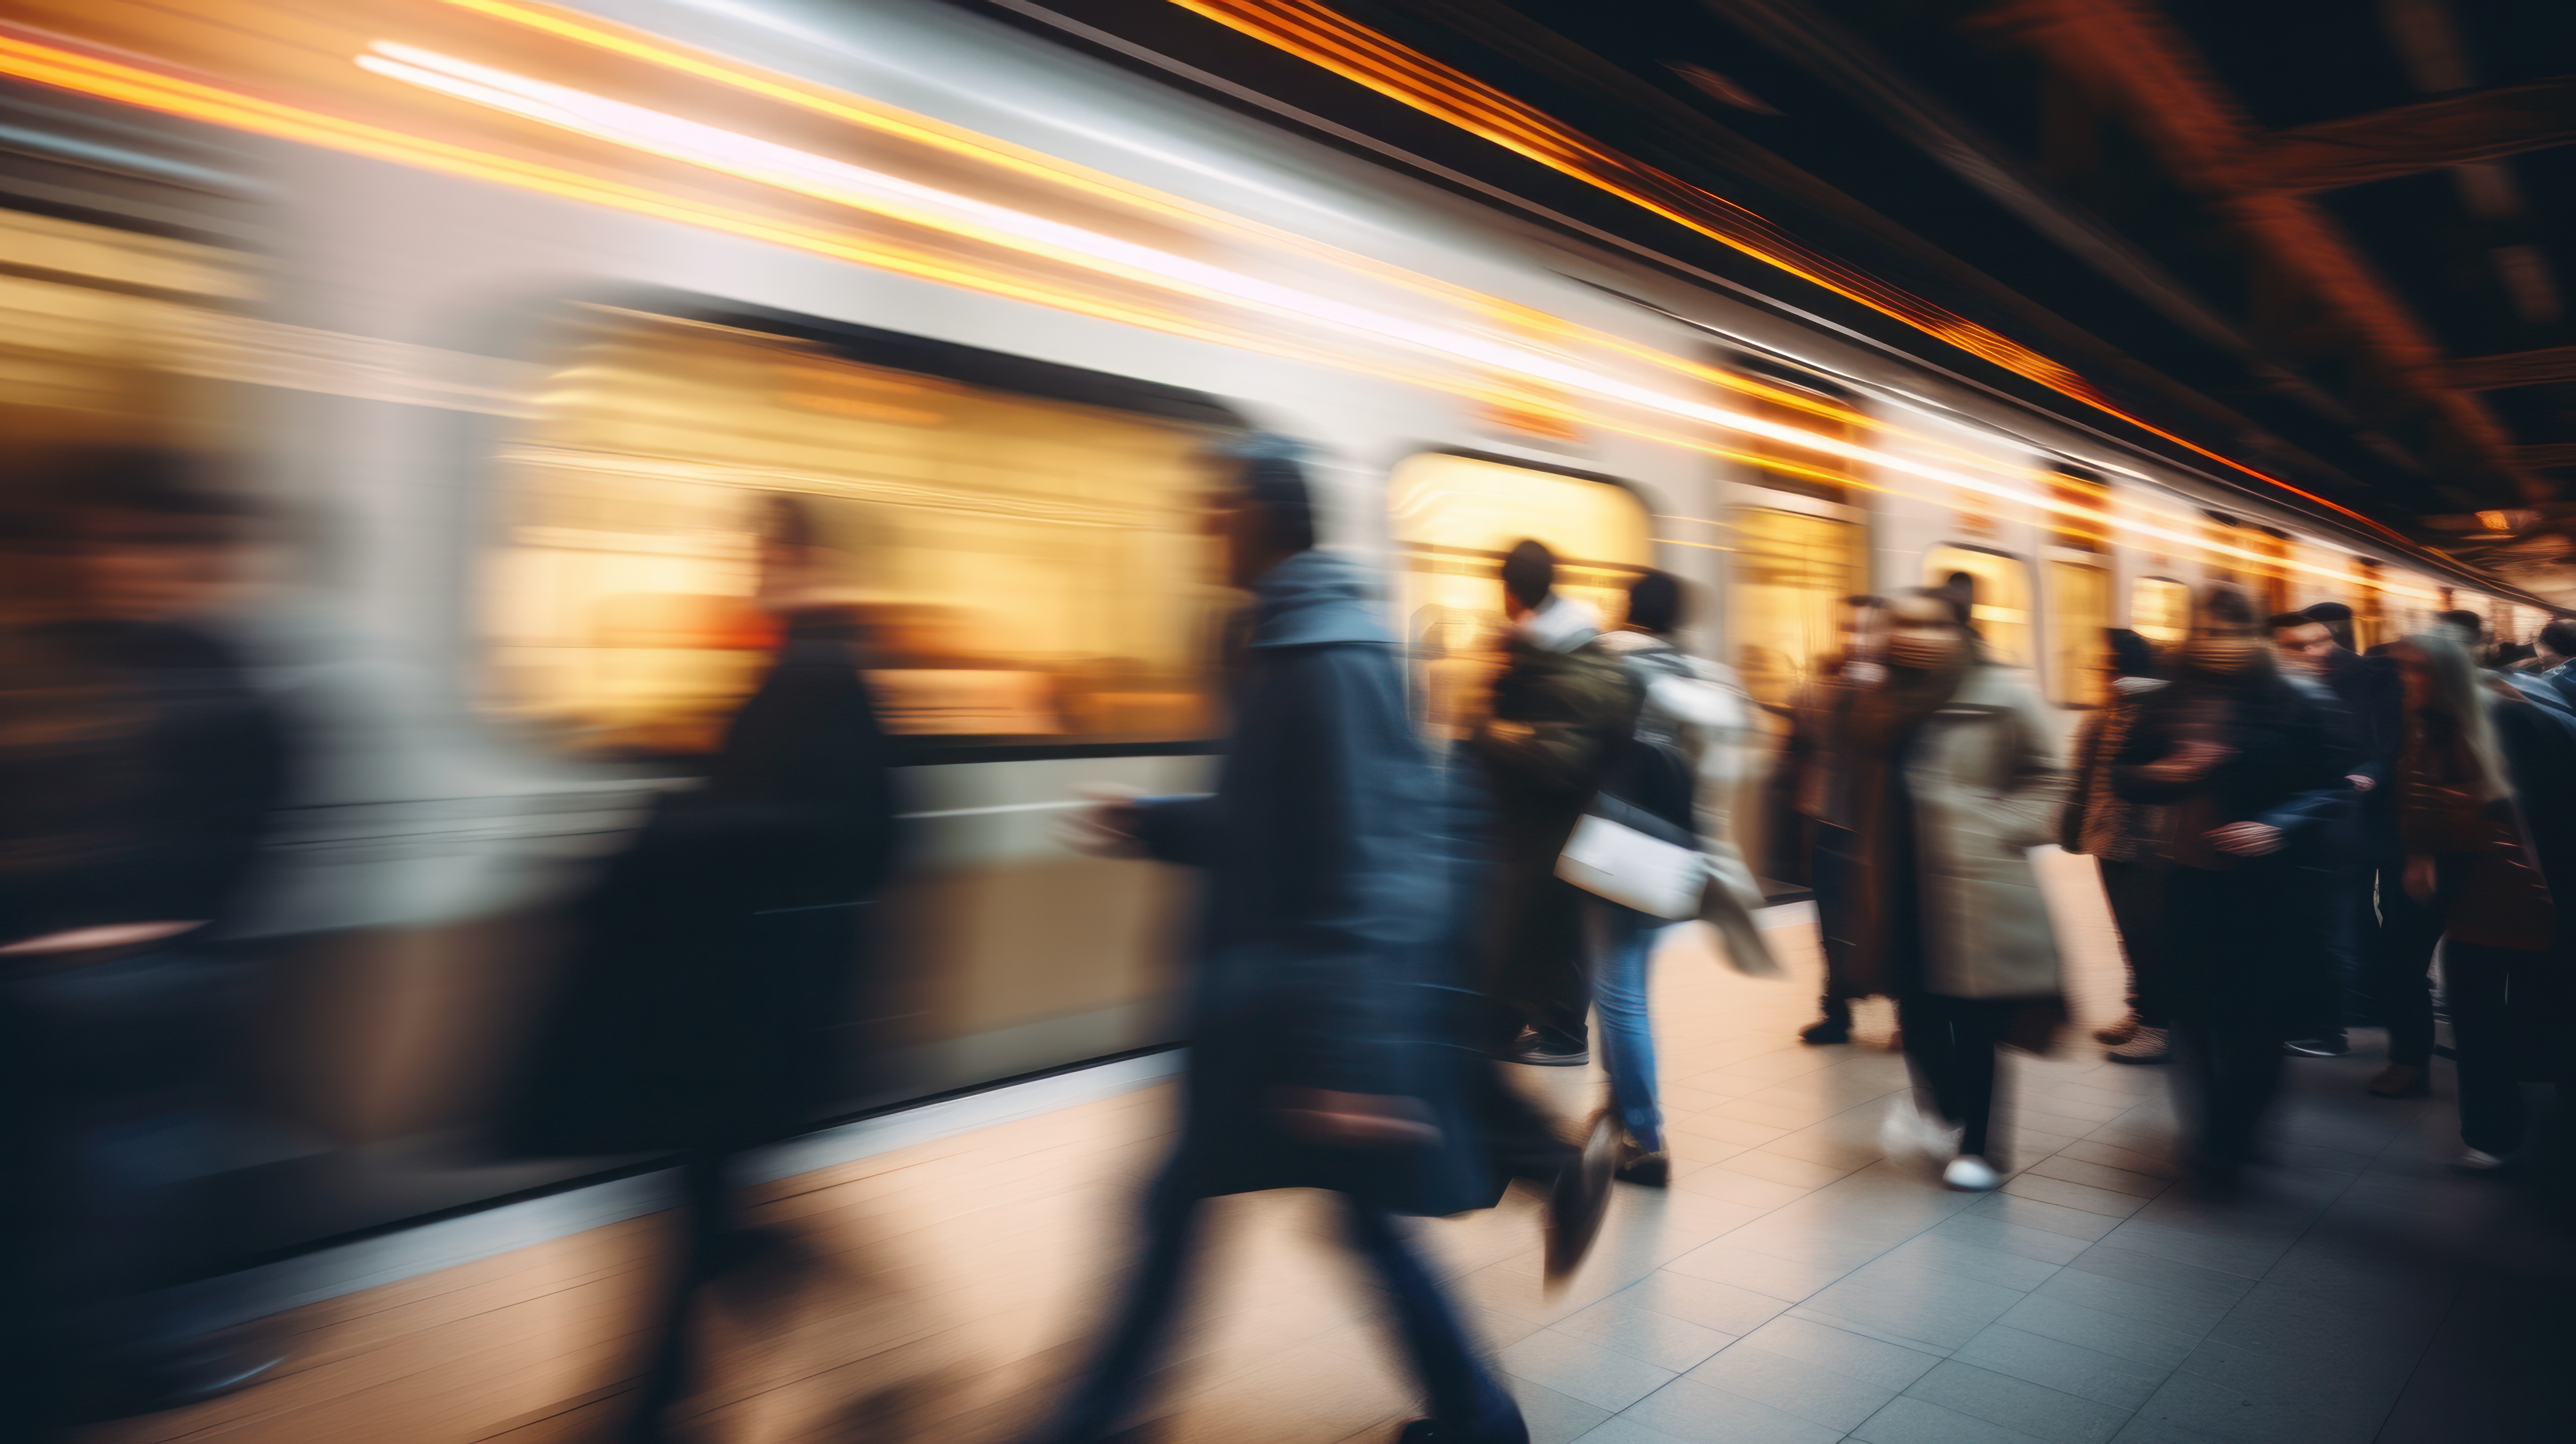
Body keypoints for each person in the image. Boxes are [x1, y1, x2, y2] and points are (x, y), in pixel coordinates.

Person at [1045, 438, 1526, 1444]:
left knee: (1190, 1211)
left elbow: (1366, 866)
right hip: (1271, 1007)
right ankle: (1476, 1417)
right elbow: (1271, 823)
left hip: (1290, 1019)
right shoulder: (1288, 642)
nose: (1202, 527)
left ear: (1264, 516)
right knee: (1298, 1217)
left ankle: (1089, 1421)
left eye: (1216, 508)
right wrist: (1155, 821)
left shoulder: (1328, 658)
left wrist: (1349, 1061)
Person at [500, 494, 900, 1442]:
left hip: (761, 997)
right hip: (750, 993)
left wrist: (682, 828)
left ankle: (671, 1403)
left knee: (699, 1196)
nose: (752, 567)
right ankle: (667, 1400)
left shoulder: (823, 672)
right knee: (699, 1195)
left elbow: (849, 833)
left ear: (808, 557)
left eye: (765, 551)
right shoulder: (802, 668)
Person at [0, 450, 293, 1433]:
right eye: (107, 541)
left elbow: (233, 841)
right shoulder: (86, 659)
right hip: (93, 982)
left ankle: (124, 1357)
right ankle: (122, 1354)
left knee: (116, 1183)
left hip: (143, 983)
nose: (118, 563)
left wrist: (149, 927)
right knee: (99, 1185)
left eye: (148, 544)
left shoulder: (203, 677)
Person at [1810, 590, 2066, 1192]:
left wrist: (1992, 825)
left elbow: (2051, 781)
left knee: (1975, 1025)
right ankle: (1945, 1111)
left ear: (1960, 631)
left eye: (1932, 625)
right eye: (1904, 625)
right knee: (1917, 1020)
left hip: (1975, 888)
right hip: (1897, 888)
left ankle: (1981, 1146)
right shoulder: (1879, 701)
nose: (1917, 636)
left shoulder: (1999, 695)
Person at [2114, 589, 2348, 1184]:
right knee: (2191, 1013)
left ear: (2254, 635)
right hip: (2190, 878)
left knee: (2255, 1018)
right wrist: (2168, 771)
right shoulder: (2171, 696)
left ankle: (2232, 1130)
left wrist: (2276, 824)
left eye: (2229, 632)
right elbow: (2125, 774)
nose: (2216, 644)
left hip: (2271, 887)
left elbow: (2334, 784)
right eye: (2205, 632)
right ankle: (2211, 1132)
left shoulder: (2299, 697)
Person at [1583, 571, 1776, 1185]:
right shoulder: (1704, 677)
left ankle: (1643, 1137)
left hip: (1615, 848)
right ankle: (1622, 1111)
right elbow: (1750, 751)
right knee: (1628, 988)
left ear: (1627, 610)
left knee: (1619, 997)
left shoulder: (1610, 666)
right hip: (1678, 852)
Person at [2387, 633, 2565, 1172]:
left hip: (2524, 887)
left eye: (2414, 669)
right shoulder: (2434, 724)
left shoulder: (2506, 719)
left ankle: (2509, 1132)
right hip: (2473, 893)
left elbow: (2548, 807)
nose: (2404, 680)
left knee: (2523, 1007)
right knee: (2477, 1010)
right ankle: (2492, 1135)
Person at [1467, 541, 1642, 1067]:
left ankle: (1560, 1034)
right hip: (1553, 826)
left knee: (1542, 929)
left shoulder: (1560, 657)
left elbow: (1556, 756)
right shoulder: (1567, 647)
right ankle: (1523, 1027)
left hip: (1555, 827)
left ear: (1510, 592)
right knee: (1534, 929)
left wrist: (1490, 737)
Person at [2271, 611, 2387, 1059]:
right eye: (2298, 646)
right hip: (2307, 832)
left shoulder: (2335, 691)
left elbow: (2365, 757)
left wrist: (2363, 777)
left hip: (2330, 833)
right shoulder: (2289, 692)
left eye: (2318, 642)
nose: (2315, 653)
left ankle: (2327, 1029)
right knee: (2318, 929)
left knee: (2333, 932)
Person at [1778, 595, 1890, 1046]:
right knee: (1830, 926)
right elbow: (1800, 745)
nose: (1855, 640)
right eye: (1847, 629)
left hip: (1879, 829)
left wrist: (1867, 692)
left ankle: (1905, 1015)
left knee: (1886, 922)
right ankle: (1837, 1011)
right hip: (1827, 822)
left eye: (1865, 630)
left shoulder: (1899, 692)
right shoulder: (1820, 688)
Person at [2059, 629, 2173, 1064]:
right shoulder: (2108, 709)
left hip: (2147, 843)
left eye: (2106, 661)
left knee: (2149, 934)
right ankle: (2141, 1012)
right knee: (2128, 933)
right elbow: (2084, 777)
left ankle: (2159, 1026)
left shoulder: (2153, 706)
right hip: (2108, 838)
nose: (2099, 669)